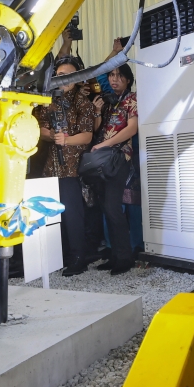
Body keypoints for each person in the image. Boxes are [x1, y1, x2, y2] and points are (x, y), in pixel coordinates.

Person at [38, 58, 96, 276]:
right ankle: (57, 257)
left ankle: (78, 258)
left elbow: (88, 135)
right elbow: (40, 128)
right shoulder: (49, 101)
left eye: (69, 75)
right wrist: (51, 135)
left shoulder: (83, 102)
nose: (64, 79)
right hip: (50, 168)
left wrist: (66, 140)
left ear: (77, 78)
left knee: (73, 215)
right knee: (52, 215)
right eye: (60, 75)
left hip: (72, 168)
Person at [90, 62, 138, 275]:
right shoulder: (107, 101)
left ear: (128, 80)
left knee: (113, 208)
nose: (114, 79)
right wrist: (98, 112)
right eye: (111, 75)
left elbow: (132, 129)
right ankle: (114, 254)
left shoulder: (132, 99)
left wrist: (104, 145)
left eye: (119, 75)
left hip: (118, 158)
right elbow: (96, 130)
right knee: (106, 208)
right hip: (101, 160)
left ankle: (125, 257)